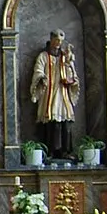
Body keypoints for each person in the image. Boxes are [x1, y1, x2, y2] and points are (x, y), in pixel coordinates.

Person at [28, 30, 80, 161]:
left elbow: (73, 74)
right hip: (49, 92)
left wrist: (69, 70)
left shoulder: (65, 56)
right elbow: (38, 70)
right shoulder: (44, 56)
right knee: (51, 121)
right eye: (56, 40)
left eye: (60, 41)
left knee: (66, 121)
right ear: (51, 40)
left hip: (63, 92)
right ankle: (50, 150)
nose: (58, 43)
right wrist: (41, 77)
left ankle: (66, 151)